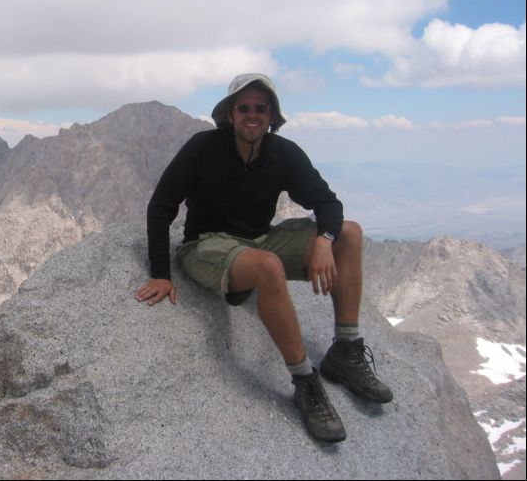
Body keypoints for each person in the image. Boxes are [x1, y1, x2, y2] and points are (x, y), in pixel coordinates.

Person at [135, 73, 392, 443]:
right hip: (206, 246)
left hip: (258, 241)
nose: (252, 115)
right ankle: (305, 381)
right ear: (230, 115)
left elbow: (328, 202)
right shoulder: (202, 148)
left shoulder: (283, 154)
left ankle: (346, 351)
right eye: (244, 108)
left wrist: (325, 239)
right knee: (267, 265)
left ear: (272, 116)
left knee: (348, 233)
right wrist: (161, 273)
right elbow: (161, 206)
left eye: (261, 108)